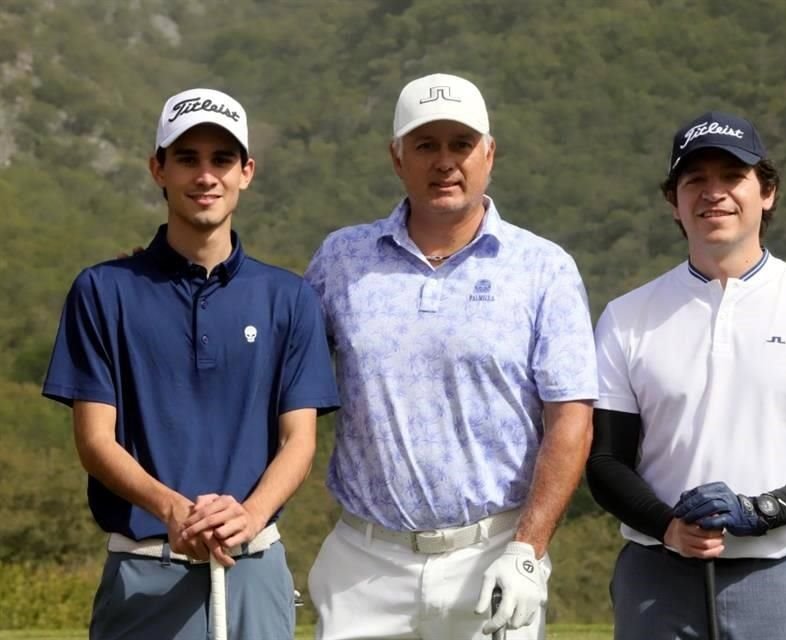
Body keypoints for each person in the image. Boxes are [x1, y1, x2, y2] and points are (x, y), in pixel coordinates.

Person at [304, 73, 598, 640]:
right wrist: (169, 273)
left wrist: (528, 552)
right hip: (364, 565)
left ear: (490, 153)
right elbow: (276, 371)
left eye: (460, 144)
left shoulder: (544, 268)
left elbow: (571, 421)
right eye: (425, 145)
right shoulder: (342, 258)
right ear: (396, 157)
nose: (445, 162)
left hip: (492, 557)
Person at [41, 87, 339, 640]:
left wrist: (249, 516)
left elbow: (299, 441)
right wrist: (172, 509)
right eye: (187, 158)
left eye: (222, 159)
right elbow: (94, 440)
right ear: (158, 168)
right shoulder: (103, 291)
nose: (206, 176)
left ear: (246, 172)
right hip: (143, 569)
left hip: (253, 567)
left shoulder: (289, 298)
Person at [586, 111, 786, 640]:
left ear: (767, 192)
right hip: (657, 576)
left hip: (778, 574)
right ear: (673, 201)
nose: (714, 193)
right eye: (695, 180)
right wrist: (667, 527)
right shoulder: (626, 315)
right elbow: (606, 459)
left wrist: (760, 510)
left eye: (732, 177)